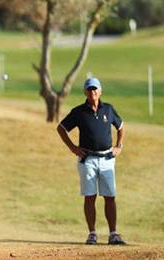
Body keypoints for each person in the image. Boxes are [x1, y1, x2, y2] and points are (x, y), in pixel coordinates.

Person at [57, 77, 126, 245]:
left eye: (95, 89)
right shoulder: (79, 112)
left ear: (100, 91)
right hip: (87, 159)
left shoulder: (108, 110)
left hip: (107, 158)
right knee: (90, 196)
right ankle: (92, 233)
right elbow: (61, 128)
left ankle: (113, 234)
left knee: (110, 196)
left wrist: (119, 146)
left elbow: (121, 127)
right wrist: (72, 148)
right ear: (85, 92)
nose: (92, 92)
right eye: (89, 89)